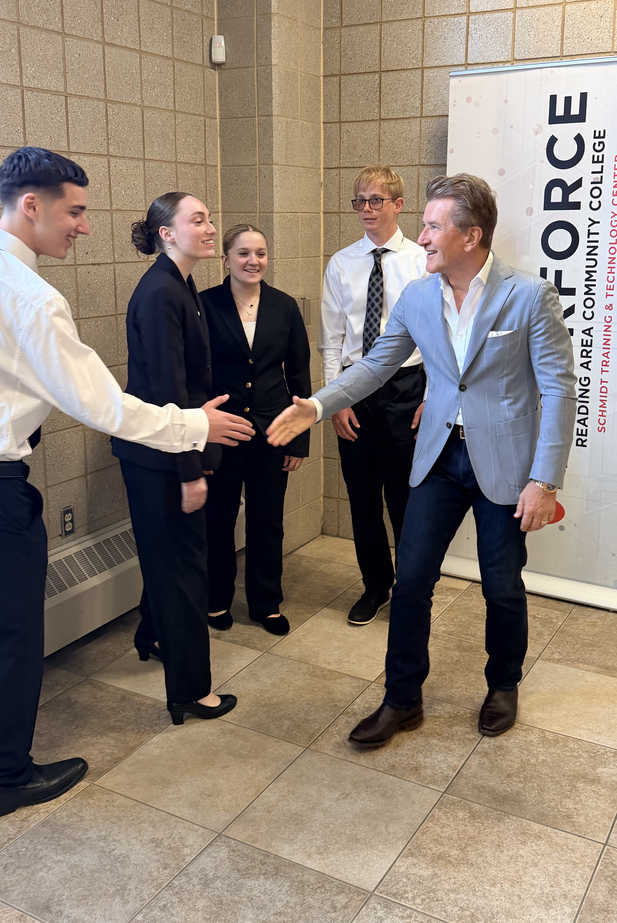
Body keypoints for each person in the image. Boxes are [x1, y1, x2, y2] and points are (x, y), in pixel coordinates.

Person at [0, 151, 253, 819]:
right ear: (32, 205)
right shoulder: (29, 297)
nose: (84, 226)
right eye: (75, 210)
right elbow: (104, 405)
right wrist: (193, 427)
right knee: (8, 634)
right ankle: (4, 777)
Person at [268, 173, 576, 746]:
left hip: (506, 465)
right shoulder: (416, 296)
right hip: (436, 456)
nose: (425, 237)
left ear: (471, 235)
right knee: (410, 580)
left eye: (434, 226)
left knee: (500, 584)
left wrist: (544, 480)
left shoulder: (529, 297)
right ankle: (402, 698)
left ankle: (503, 683)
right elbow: (376, 365)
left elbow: (560, 391)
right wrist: (315, 405)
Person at [112, 192, 238, 725]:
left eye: (210, 218)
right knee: (185, 569)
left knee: (169, 558)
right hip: (162, 455)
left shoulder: (179, 283)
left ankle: (152, 634)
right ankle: (191, 691)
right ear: (167, 233)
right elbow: (167, 389)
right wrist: (192, 470)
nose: (211, 228)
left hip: (165, 446)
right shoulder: (162, 292)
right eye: (199, 220)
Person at [320, 166, 426, 626]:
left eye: (375, 201)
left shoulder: (422, 260)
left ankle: (410, 590)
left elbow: (441, 336)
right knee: (362, 498)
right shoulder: (342, 263)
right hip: (355, 389)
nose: (365, 209)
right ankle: (375, 587)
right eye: (359, 201)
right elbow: (330, 339)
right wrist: (333, 401)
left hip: (408, 388)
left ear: (398, 205)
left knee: (406, 499)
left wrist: (434, 397)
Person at [202, 225, 311, 636]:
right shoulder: (204, 306)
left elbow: (300, 376)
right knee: (219, 519)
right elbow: (197, 374)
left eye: (261, 253)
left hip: (274, 431)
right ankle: (216, 601)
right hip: (223, 431)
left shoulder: (284, 307)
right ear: (225, 259)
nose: (253, 261)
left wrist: (299, 438)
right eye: (243, 253)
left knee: (268, 522)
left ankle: (266, 603)